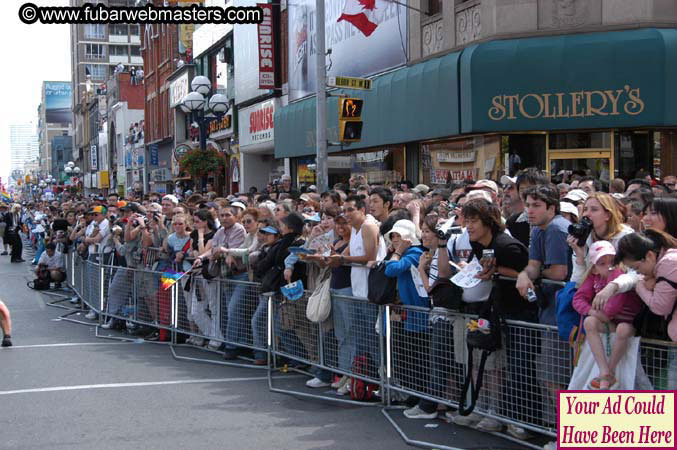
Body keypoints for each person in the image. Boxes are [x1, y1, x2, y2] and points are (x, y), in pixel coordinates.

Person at [572, 241, 643, 389]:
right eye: (602, 263)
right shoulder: (594, 278)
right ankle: (603, 369)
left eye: (612, 261)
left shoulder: (619, 276)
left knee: (623, 329)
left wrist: (600, 313)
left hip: (628, 323)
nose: (608, 266)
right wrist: (591, 311)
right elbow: (578, 299)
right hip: (609, 320)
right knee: (589, 322)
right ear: (594, 269)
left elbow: (613, 308)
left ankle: (609, 371)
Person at [617, 229, 677, 388]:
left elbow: (659, 306)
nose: (639, 273)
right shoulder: (668, 261)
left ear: (650, 255)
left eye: (637, 268)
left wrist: (639, 286)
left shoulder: (669, 263)